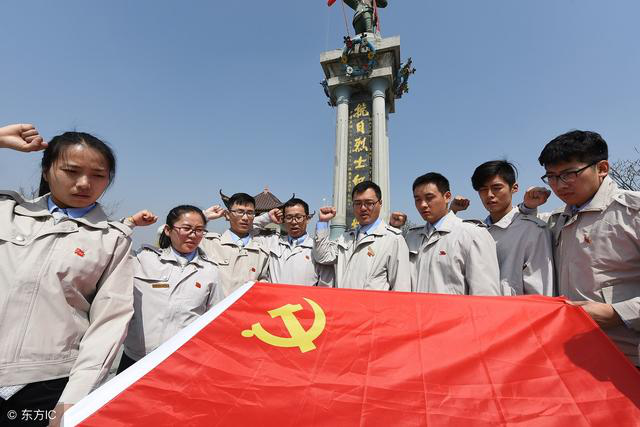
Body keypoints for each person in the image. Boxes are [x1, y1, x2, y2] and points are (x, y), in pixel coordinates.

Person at [0, 124, 134, 425]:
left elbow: (110, 321)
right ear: (47, 170)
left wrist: (74, 398)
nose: (84, 183)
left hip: (46, 383)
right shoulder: (6, 210)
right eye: (71, 171)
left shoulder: (112, 239)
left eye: (98, 175)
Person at [520, 130, 640, 366]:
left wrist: (618, 313)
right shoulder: (557, 220)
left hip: (629, 357)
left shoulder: (632, 213)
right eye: (551, 176)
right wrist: (527, 208)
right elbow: (516, 229)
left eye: (569, 174)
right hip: (574, 356)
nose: (559, 185)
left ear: (602, 168)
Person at [117, 206, 220, 373]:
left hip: (183, 363)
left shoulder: (210, 270)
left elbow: (214, 319)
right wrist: (130, 223)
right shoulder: (144, 259)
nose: (193, 235)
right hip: (136, 360)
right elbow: (109, 249)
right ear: (167, 230)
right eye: (186, 228)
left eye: (199, 230)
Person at [394, 172, 501, 295]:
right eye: (418, 199)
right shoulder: (411, 237)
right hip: (415, 307)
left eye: (429, 198)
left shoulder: (472, 235)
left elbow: (485, 293)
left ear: (447, 197)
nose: (423, 205)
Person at [459, 160, 554, 296]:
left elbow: (541, 292)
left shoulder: (533, 231)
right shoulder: (475, 232)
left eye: (497, 188)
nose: (489, 195)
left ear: (514, 188)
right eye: (483, 189)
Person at [312, 180, 411, 291]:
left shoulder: (393, 239)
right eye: (358, 203)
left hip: (372, 303)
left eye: (369, 203)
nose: (363, 208)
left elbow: (401, 288)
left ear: (380, 203)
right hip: (343, 301)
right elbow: (322, 256)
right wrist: (323, 222)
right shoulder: (346, 237)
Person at [251, 197, 334, 287]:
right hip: (274, 296)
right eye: (289, 217)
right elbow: (245, 230)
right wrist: (267, 218)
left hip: (303, 296)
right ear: (284, 220)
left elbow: (326, 287)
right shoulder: (272, 242)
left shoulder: (318, 250)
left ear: (307, 219)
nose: (294, 222)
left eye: (298, 217)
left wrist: (323, 222)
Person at [200, 193, 269, 297]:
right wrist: (203, 217)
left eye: (250, 213)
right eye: (240, 212)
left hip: (245, 306)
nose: (245, 218)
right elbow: (175, 234)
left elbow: (264, 280)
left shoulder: (262, 252)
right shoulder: (210, 242)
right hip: (216, 306)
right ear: (228, 214)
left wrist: (261, 285)